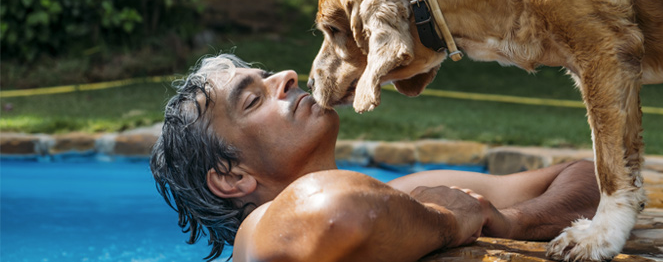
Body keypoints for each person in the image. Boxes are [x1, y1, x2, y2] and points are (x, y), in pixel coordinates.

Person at [150, 54, 600, 262]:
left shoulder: (401, 197)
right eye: (252, 100)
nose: (286, 76)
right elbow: (337, 213)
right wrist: (447, 220)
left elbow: (588, 177)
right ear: (231, 178)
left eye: (268, 76)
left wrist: (515, 220)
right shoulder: (258, 239)